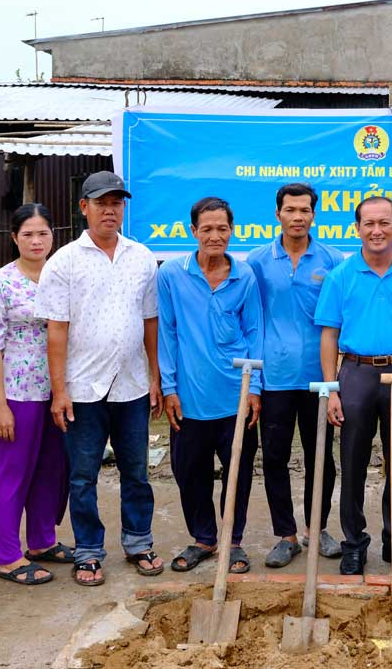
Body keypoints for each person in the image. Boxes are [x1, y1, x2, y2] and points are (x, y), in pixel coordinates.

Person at [35, 171, 164, 586]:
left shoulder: (141, 257)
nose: (110, 209)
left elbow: (150, 322)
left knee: (136, 471)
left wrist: (155, 377)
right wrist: (59, 392)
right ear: (84, 207)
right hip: (82, 388)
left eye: (117, 202)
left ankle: (139, 541)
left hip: (132, 385)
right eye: (101, 202)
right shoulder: (64, 262)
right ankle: (88, 551)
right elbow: (57, 329)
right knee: (83, 475)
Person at [315, 195, 392, 577]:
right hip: (356, 374)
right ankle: (354, 544)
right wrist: (332, 388)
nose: (377, 230)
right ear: (358, 228)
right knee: (353, 463)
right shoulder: (342, 276)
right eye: (369, 223)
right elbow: (329, 335)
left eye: (385, 222)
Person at [159, 197, 264, 575]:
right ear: (193, 232)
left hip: (236, 393)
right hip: (189, 395)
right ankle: (204, 538)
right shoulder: (172, 274)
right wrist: (168, 387)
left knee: (239, 470)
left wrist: (256, 390)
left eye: (222, 228)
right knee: (190, 471)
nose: (215, 236)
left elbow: (255, 331)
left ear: (231, 231)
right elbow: (167, 333)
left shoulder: (245, 276)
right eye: (207, 229)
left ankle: (233, 542)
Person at [0, 203, 73, 585]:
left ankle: (42, 541)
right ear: (14, 237)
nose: (36, 241)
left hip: (59, 389)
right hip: (16, 392)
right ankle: (6, 554)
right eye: (28, 234)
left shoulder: (62, 276)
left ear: (53, 236)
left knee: (51, 469)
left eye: (43, 233)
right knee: (7, 473)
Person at [246, 183, 344, 567]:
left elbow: (339, 322)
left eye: (305, 210)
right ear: (278, 214)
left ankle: (316, 529)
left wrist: (336, 377)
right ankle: (285, 535)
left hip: (319, 378)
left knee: (322, 457)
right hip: (274, 378)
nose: (298, 217)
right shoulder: (257, 261)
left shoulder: (332, 260)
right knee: (274, 457)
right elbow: (252, 322)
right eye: (290, 209)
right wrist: (254, 381)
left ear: (313, 215)